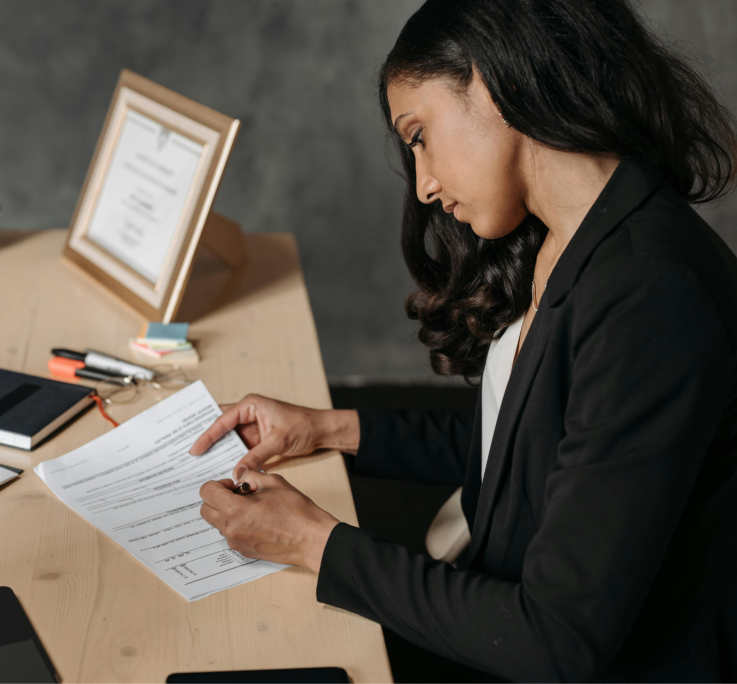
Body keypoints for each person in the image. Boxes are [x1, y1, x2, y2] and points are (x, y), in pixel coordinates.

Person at [192, 1, 737, 681]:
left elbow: (557, 640)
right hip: (483, 607)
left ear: (492, 81)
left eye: (419, 134)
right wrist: (327, 429)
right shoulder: (556, 236)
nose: (421, 185)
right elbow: (527, 453)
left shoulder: (651, 296)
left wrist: (314, 543)